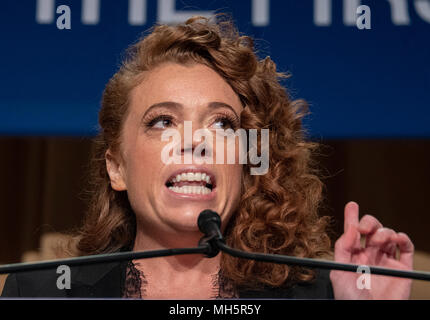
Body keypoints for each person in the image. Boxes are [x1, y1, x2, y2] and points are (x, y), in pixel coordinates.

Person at [1, 15, 414, 299]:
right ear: (117, 167)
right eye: (162, 121)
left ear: (248, 163)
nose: (196, 141)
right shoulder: (42, 291)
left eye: (221, 125)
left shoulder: (323, 292)